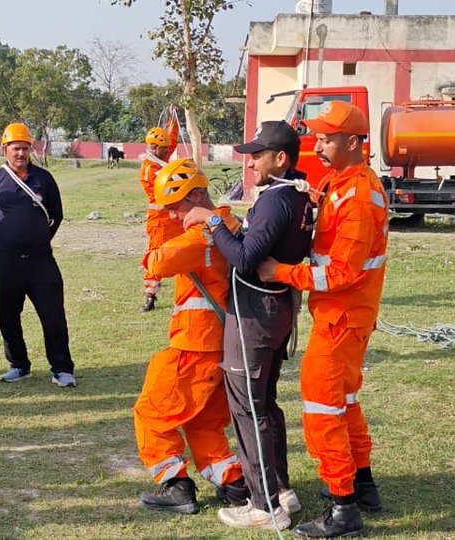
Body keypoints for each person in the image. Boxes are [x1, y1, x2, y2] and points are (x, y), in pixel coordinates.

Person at [258, 101, 390, 539]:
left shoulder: (358, 197)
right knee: (346, 403)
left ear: (353, 142)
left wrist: (279, 272)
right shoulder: (341, 182)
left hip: (342, 317)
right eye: (317, 136)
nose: (318, 144)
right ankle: (362, 485)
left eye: (328, 138)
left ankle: (343, 508)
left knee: (322, 409)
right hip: (345, 317)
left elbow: (339, 273)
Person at [183, 120, 314, 530]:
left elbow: (244, 259)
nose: (250, 163)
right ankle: (280, 489)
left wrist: (213, 221)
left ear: (280, 158)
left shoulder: (277, 200)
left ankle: (264, 505)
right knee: (266, 405)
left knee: (248, 408)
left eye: (257, 155)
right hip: (275, 311)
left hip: (257, 313)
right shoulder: (296, 193)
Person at [133, 158, 249, 516]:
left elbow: (157, 262)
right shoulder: (231, 224)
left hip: (195, 344)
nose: (171, 215)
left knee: (152, 411)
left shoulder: (204, 234)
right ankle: (233, 482)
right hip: (222, 344)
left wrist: (168, 233)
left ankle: (175, 485)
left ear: (198, 195)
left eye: (176, 206)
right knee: (204, 421)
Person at [0, 123, 75, 387]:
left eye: (24, 148)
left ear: (31, 149)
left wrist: (38, 239)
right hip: (6, 260)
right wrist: (9, 241)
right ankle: (19, 365)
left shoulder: (44, 179)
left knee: (53, 314)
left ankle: (62, 369)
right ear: (4, 149)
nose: (20, 153)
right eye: (15, 148)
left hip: (41, 260)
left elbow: (56, 215)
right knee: (8, 315)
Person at [137, 127, 182, 313]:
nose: (168, 151)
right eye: (165, 149)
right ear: (155, 147)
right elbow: (167, 186)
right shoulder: (151, 169)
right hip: (160, 221)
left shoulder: (160, 159)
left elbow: (171, 141)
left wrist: (173, 120)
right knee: (156, 256)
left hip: (174, 218)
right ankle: (150, 296)